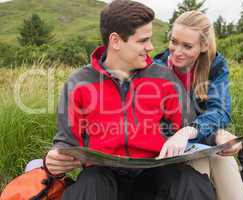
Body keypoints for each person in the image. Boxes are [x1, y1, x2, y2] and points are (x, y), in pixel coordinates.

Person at [44, 1, 216, 200]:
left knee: (189, 181)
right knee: (90, 184)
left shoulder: (164, 78)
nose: (151, 47)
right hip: (103, 177)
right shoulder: (79, 83)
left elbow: (190, 128)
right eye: (143, 41)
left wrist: (216, 137)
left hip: (155, 172)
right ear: (116, 41)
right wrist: (53, 160)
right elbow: (65, 141)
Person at [154, 11, 243, 200]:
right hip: (171, 150)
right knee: (200, 165)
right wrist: (209, 134)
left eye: (187, 46)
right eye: (174, 41)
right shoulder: (156, 68)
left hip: (201, 142)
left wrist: (193, 131)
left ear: (203, 46)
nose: (177, 51)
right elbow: (153, 120)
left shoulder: (216, 65)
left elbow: (220, 110)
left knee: (224, 162)